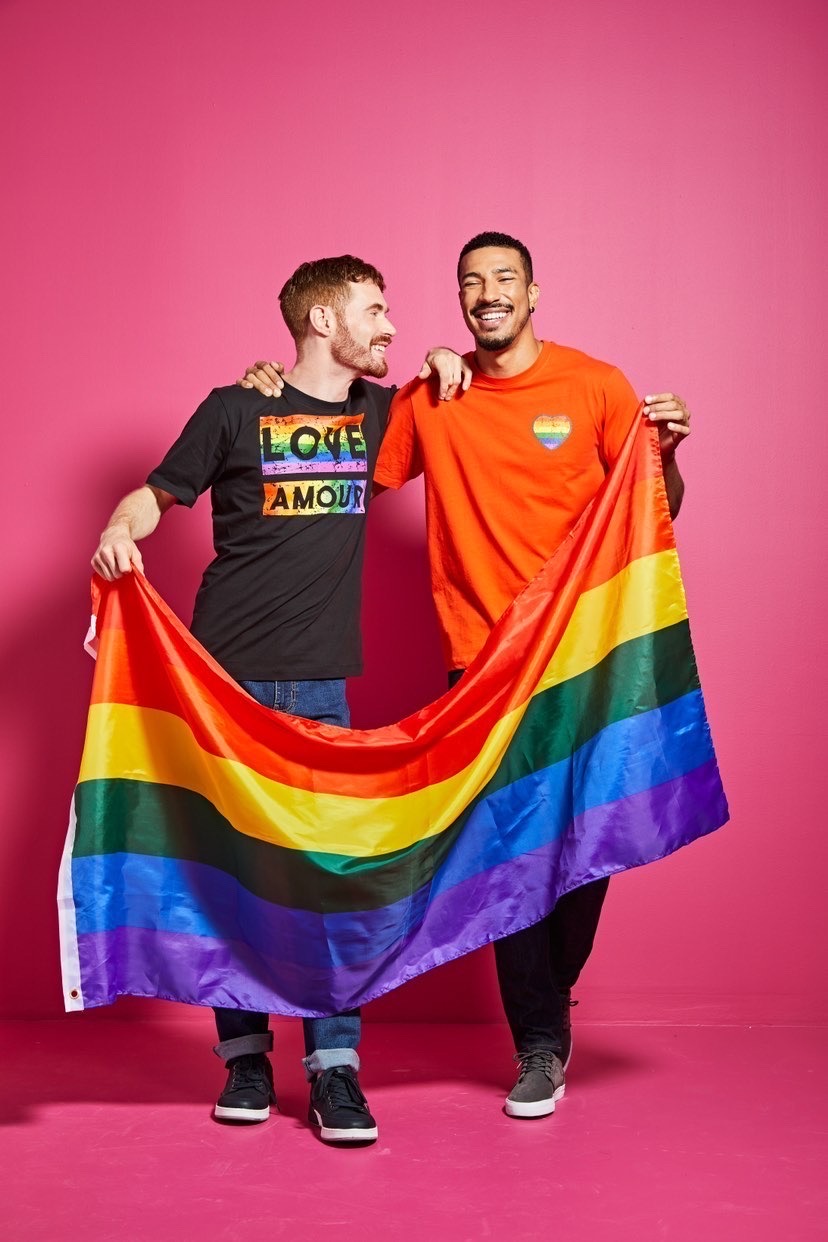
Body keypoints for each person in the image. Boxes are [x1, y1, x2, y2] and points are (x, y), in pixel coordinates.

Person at [240, 231, 691, 1122]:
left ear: (533, 293)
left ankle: (547, 1006)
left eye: (503, 280)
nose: (486, 293)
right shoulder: (434, 396)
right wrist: (271, 388)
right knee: (507, 854)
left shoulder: (595, 385)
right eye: (469, 283)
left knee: (587, 847)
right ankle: (538, 1046)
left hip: (584, 657)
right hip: (478, 664)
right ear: (460, 301)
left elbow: (655, 512)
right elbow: (336, 457)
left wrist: (667, 453)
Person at [91, 254, 467, 1144]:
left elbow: (454, 395)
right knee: (236, 871)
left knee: (327, 877)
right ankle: (247, 1061)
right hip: (220, 679)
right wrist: (116, 527)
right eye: (374, 310)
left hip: (323, 690)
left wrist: (450, 357)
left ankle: (334, 1069)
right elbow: (156, 496)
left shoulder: (381, 412)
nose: (389, 325)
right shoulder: (234, 408)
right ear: (324, 321)